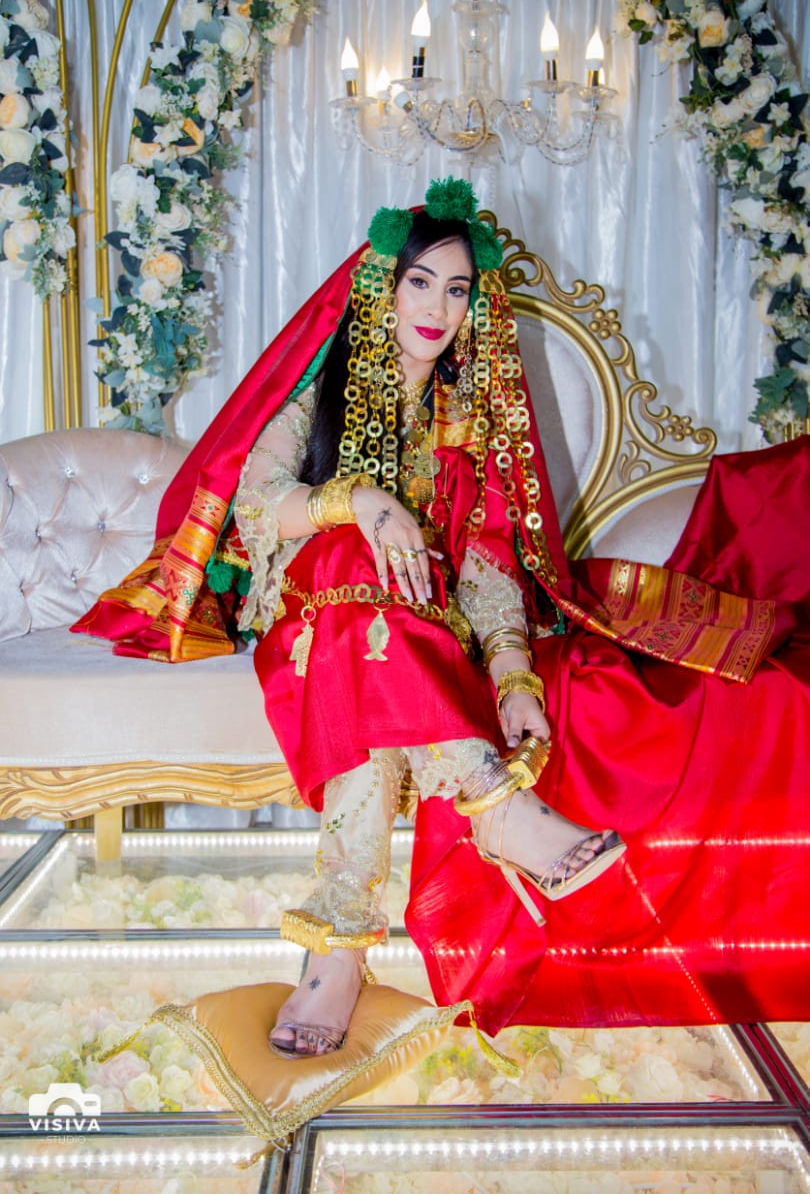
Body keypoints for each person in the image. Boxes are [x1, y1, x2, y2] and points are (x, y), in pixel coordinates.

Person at [74, 179, 810, 1050]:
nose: (437, 308)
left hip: (411, 632)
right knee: (353, 563)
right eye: (420, 283)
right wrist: (362, 503)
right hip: (306, 611)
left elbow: (492, 562)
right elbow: (258, 501)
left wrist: (514, 671)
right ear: (383, 287)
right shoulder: (323, 385)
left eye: (457, 290)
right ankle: (493, 805)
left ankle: (336, 953)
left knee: (374, 652)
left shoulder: (473, 417)